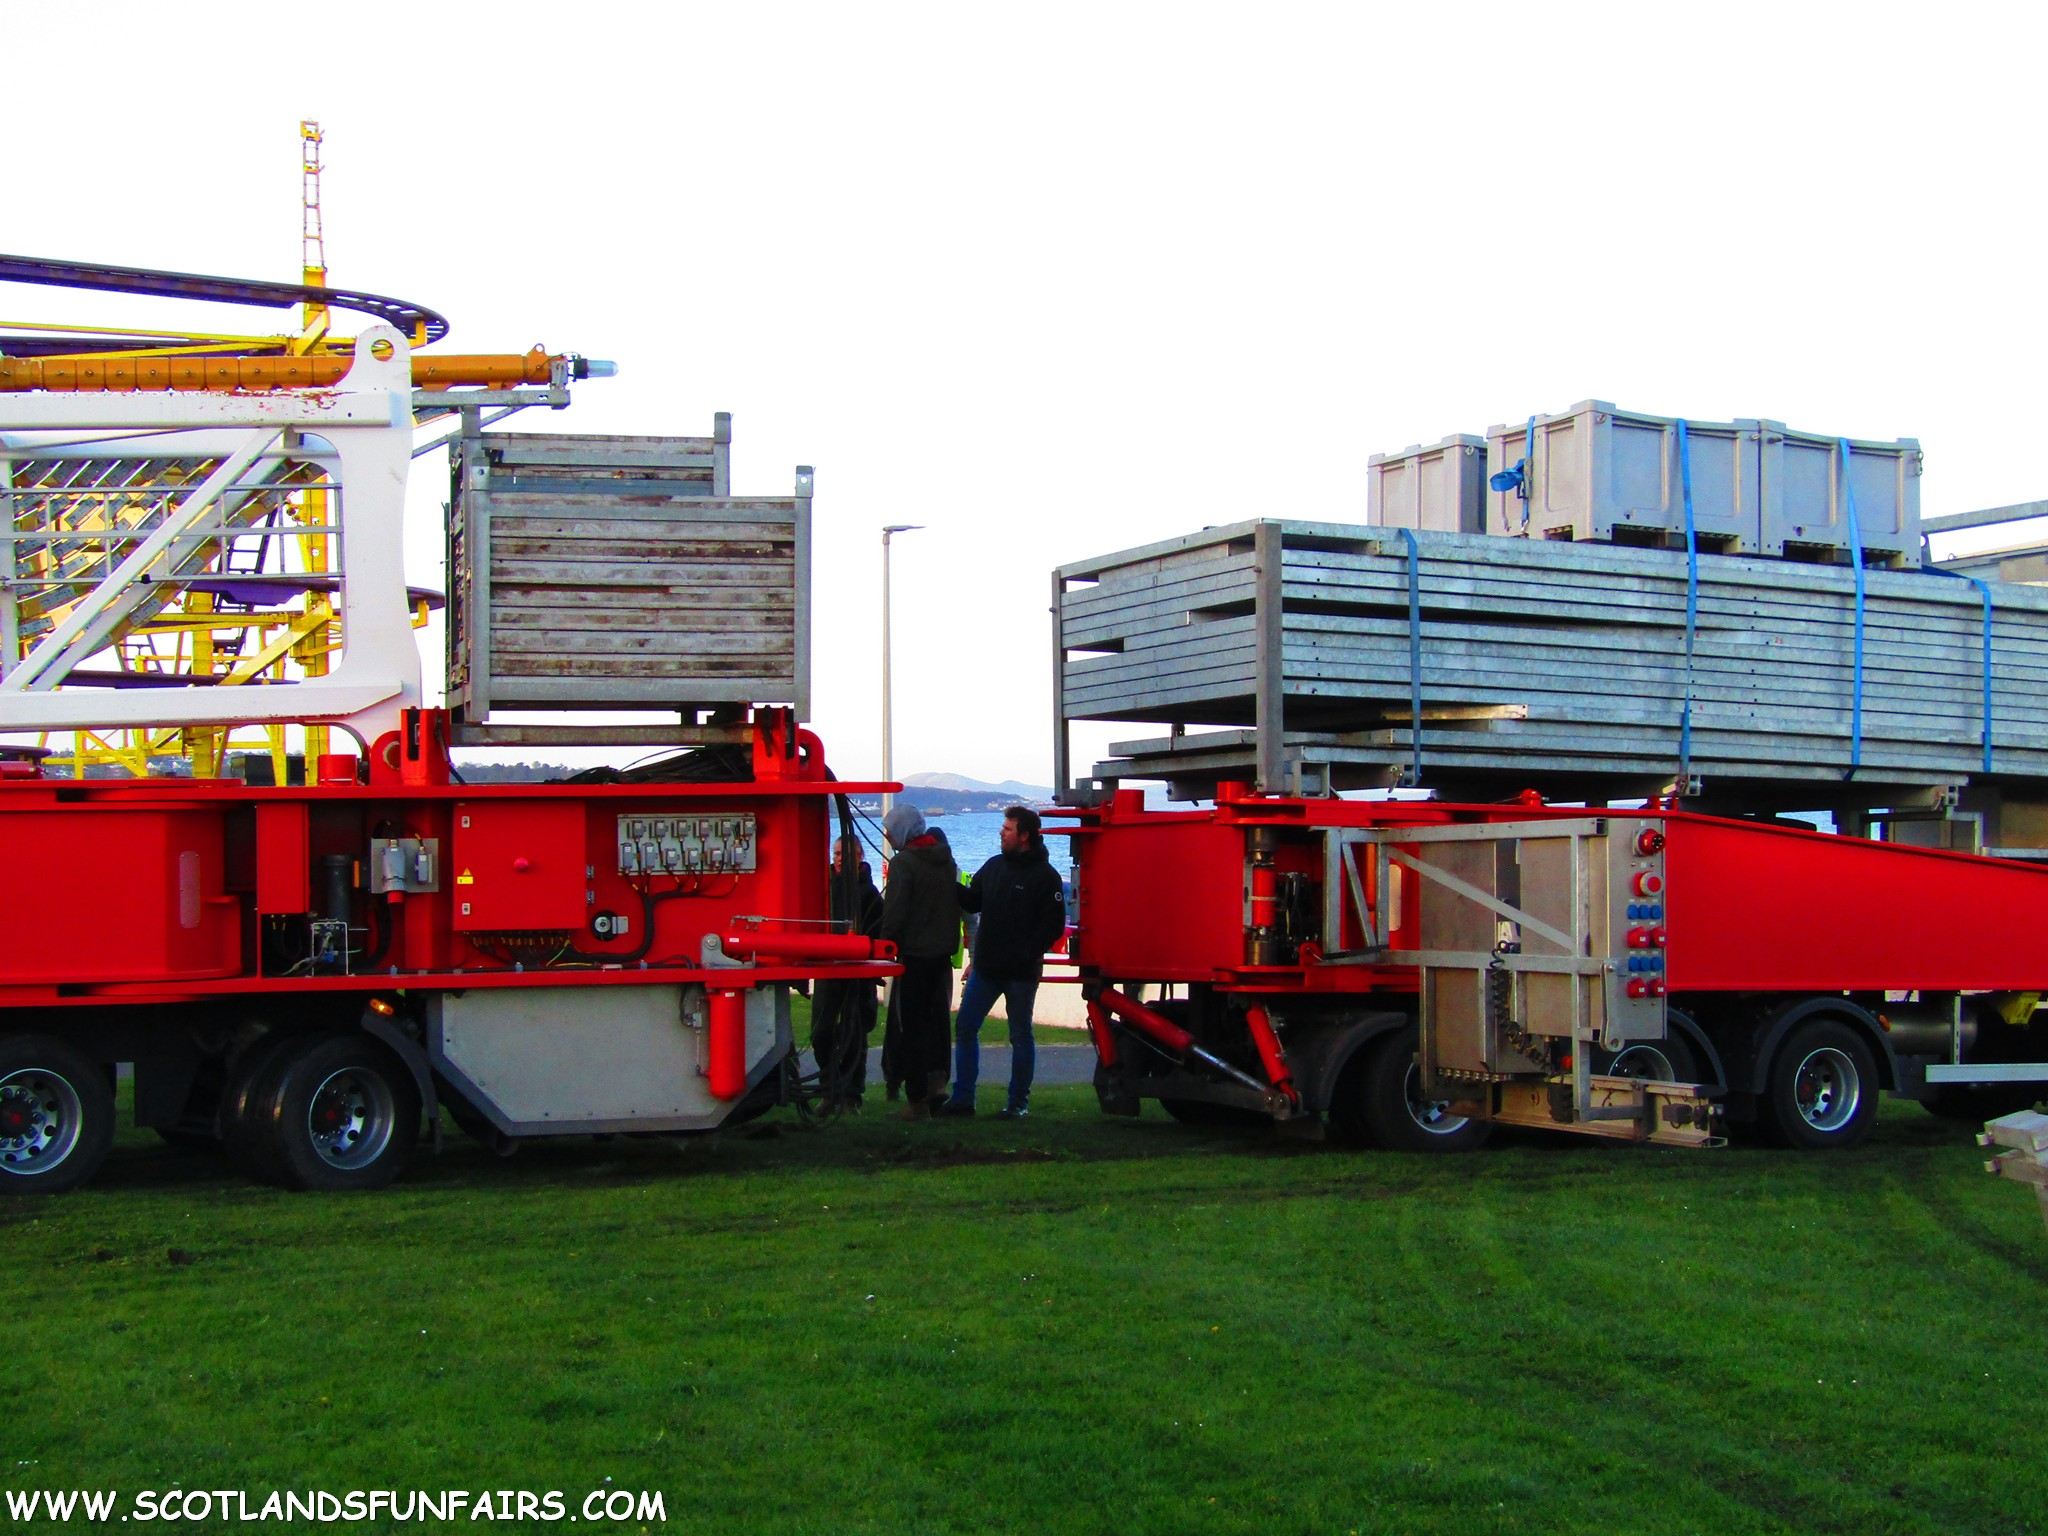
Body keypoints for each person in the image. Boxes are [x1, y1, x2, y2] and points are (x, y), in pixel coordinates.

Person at [938, 805, 1067, 1120]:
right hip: (987, 968)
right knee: (966, 1026)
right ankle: (963, 1099)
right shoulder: (994, 867)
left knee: (1020, 1034)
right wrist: (945, 880)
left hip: (1021, 973)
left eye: (1007, 828)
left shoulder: (1046, 877)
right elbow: (972, 899)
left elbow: (1053, 926)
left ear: (1024, 836)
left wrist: (1027, 952)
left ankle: (1017, 1103)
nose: (1001, 832)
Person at [877, 803, 961, 1121]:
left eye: (890, 829)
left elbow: (895, 912)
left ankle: (917, 1102)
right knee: (937, 1024)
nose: (886, 834)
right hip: (941, 956)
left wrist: (884, 943)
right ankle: (937, 1087)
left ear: (902, 829)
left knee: (910, 1029)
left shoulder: (904, 864)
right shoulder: (944, 860)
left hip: (914, 957)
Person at [811, 836, 881, 1110]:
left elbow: (877, 931)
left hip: (858, 972)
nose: (839, 858)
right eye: (837, 853)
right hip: (828, 970)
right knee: (821, 1033)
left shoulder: (870, 893)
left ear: (860, 857)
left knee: (855, 1033)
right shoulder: (823, 888)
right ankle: (829, 1088)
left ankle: (852, 1093)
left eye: (845, 854)